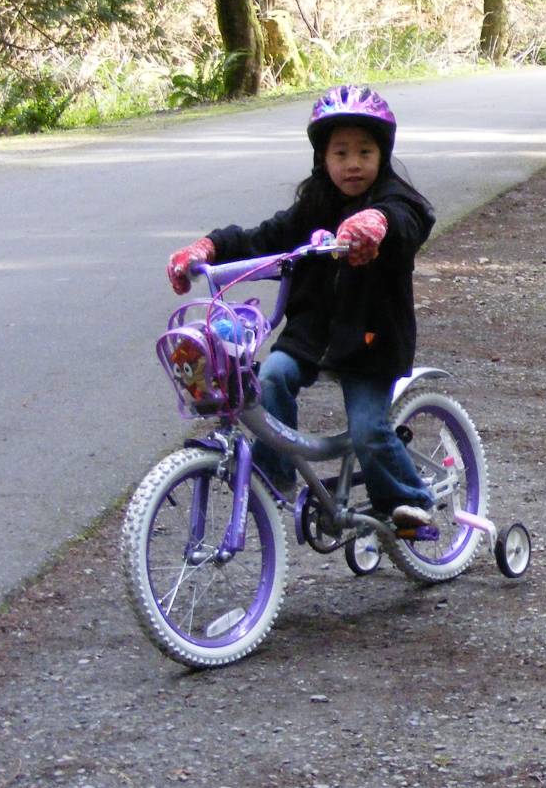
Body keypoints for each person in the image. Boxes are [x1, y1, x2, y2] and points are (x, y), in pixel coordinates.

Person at [167, 85, 441, 528]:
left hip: (371, 341)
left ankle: (410, 501)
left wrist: (376, 224)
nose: (353, 163)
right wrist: (208, 249)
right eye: (340, 153)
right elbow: (261, 238)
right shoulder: (314, 204)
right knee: (269, 379)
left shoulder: (394, 201)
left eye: (365, 152)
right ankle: (276, 475)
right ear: (323, 158)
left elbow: (410, 220)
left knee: (368, 430)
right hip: (310, 335)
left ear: (383, 155)